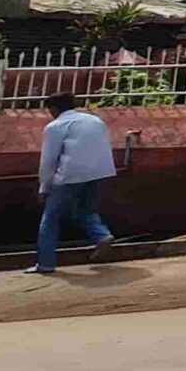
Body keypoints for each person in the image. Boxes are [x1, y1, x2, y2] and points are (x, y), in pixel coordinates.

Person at [31, 94, 117, 275]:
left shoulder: (55, 127)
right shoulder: (94, 121)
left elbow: (48, 161)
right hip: (100, 172)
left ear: (53, 109)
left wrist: (44, 188)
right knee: (85, 210)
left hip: (70, 176)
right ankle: (102, 234)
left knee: (50, 219)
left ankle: (45, 264)